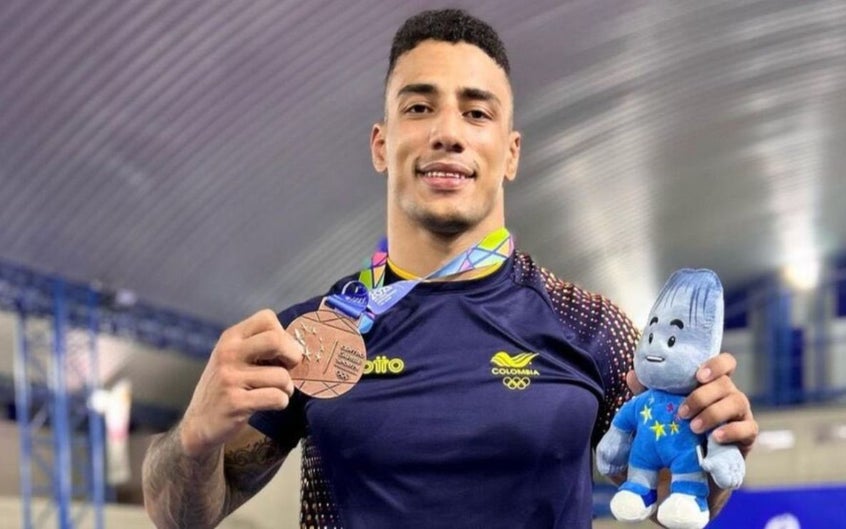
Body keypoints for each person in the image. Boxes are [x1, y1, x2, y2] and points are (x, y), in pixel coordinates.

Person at [142, 8, 758, 529]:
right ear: (382, 144)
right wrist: (194, 436)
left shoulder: (591, 326)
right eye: (419, 107)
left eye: (476, 113)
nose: (447, 133)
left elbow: (670, 500)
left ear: (510, 153)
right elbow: (180, 515)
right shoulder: (314, 335)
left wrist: (711, 446)